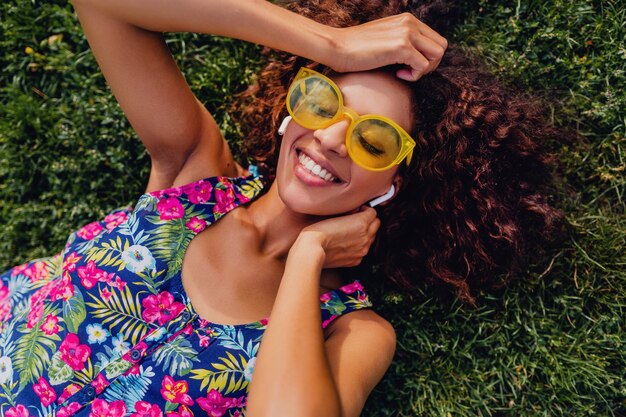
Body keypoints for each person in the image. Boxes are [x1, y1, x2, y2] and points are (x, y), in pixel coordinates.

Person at [0, 0, 562, 416]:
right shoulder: (195, 173)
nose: (331, 139)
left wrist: (308, 256)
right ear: (293, 109)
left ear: (400, 181)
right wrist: (329, 46)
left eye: (375, 140)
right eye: (323, 102)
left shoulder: (352, 331)